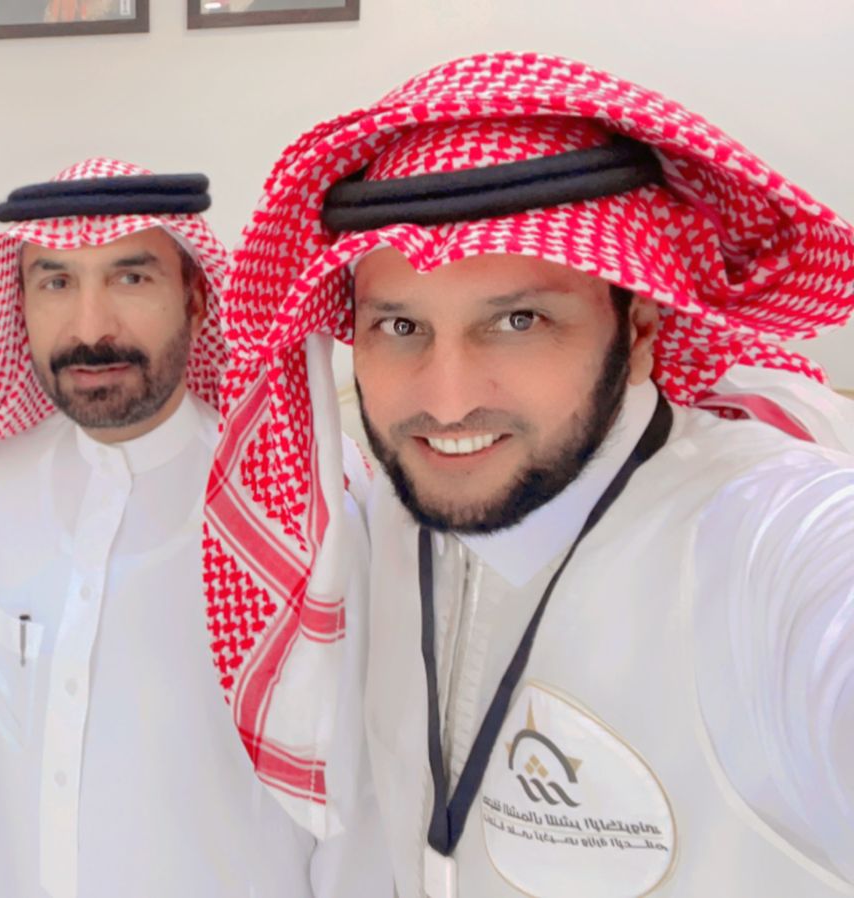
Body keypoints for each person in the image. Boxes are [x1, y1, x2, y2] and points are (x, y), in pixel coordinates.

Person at [211, 51, 854, 895]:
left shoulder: (767, 543)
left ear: (641, 325)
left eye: (519, 321)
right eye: (400, 327)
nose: (446, 403)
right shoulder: (391, 515)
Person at [0, 157, 387, 897]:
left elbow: (353, 814)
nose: (91, 329)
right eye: (56, 282)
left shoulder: (297, 504)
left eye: (130, 277)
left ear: (196, 297)